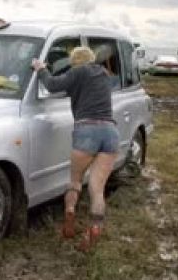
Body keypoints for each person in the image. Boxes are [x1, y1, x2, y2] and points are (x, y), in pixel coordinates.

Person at [32, 46, 119, 252]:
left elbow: (52, 86)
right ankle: (95, 228)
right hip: (110, 132)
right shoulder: (105, 74)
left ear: (75, 61)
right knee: (97, 190)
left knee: (75, 182)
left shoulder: (77, 71)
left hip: (86, 130)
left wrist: (40, 68)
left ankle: (70, 214)